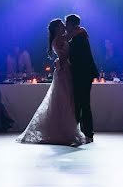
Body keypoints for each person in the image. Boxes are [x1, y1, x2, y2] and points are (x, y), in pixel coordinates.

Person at [17, 19, 86, 145]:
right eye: (61, 25)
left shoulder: (62, 38)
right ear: (56, 29)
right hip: (63, 72)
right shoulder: (57, 40)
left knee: (67, 100)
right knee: (63, 100)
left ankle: (65, 130)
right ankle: (64, 131)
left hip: (66, 71)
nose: (64, 26)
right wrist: (80, 30)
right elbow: (66, 50)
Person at [66, 13, 99, 143]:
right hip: (83, 74)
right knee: (81, 103)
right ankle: (83, 132)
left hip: (82, 75)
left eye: (67, 23)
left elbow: (76, 58)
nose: (65, 26)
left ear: (73, 25)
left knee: (82, 104)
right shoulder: (79, 35)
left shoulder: (79, 36)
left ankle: (86, 133)